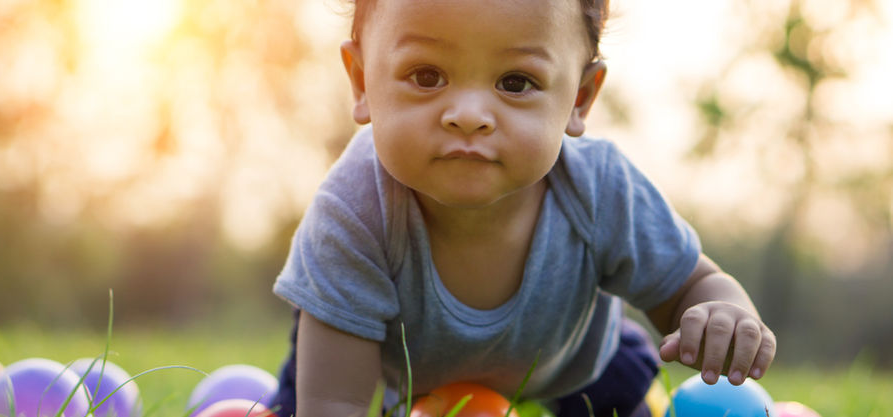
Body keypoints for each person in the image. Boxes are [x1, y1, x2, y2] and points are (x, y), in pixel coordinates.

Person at [269, 0, 777, 416]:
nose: (468, 116)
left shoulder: (601, 190)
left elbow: (690, 285)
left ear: (579, 98)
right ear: (361, 82)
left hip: (574, 358)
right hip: (390, 366)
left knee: (626, 394)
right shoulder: (353, 212)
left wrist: (724, 314)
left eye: (515, 82)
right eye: (426, 75)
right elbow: (335, 402)